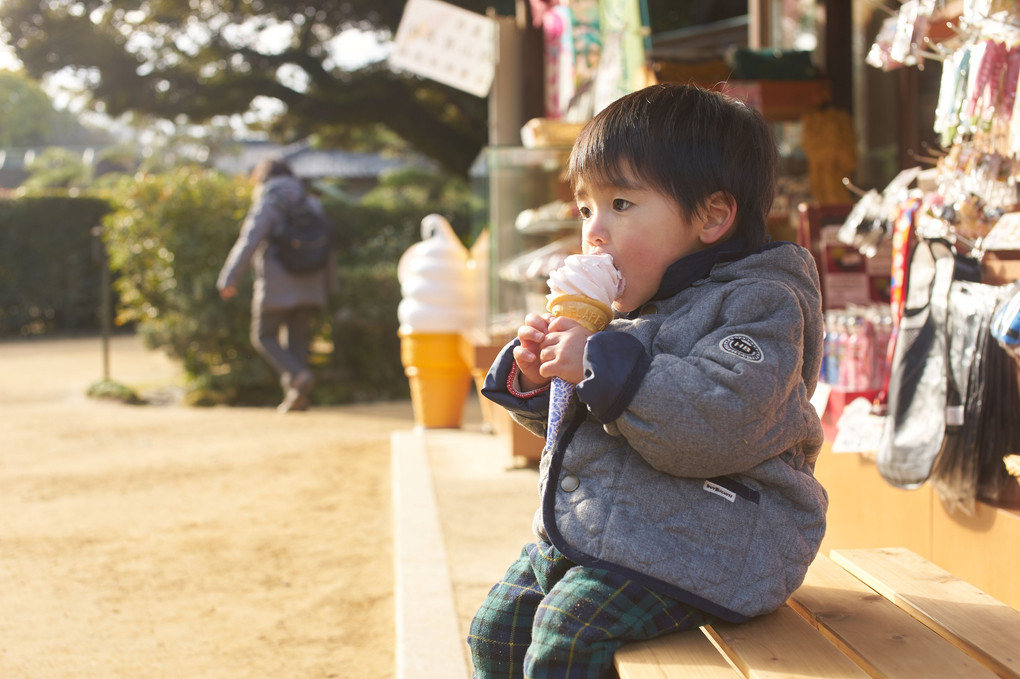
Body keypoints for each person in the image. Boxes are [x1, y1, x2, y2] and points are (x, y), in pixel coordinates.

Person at [472, 83, 828, 677]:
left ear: (712, 216)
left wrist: (598, 364)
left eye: (622, 205)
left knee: (571, 634)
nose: (594, 230)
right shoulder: (636, 302)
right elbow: (600, 425)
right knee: (496, 633)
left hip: (716, 541)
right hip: (617, 531)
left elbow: (719, 422)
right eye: (586, 208)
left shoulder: (761, 304)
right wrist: (544, 379)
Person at [217, 158, 333, 413]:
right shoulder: (311, 202)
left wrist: (229, 277)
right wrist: (329, 285)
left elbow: (249, 241)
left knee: (263, 335)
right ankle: (296, 397)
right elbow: (327, 247)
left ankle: (298, 378)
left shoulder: (269, 202)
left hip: (277, 284)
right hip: (311, 283)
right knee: (297, 340)